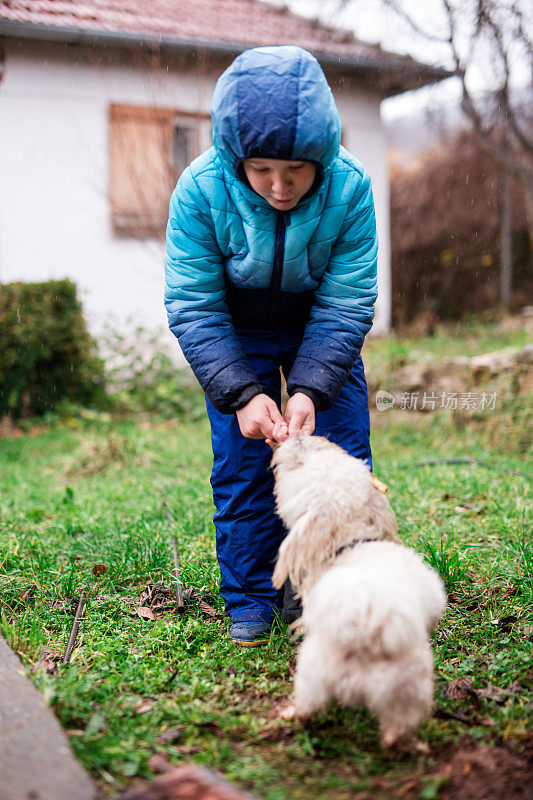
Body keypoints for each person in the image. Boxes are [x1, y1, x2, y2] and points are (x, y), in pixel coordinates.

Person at [164, 45, 378, 646]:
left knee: (342, 458)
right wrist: (241, 393)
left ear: (322, 157)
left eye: (296, 171)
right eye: (262, 171)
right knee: (243, 467)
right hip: (236, 329)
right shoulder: (201, 189)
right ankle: (253, 597)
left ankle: (329, 592)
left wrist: (311, 385)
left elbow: (347, 299)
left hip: (320, 325)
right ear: (237, 160)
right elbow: (193, 304)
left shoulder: (351, 186)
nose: (279, 187)